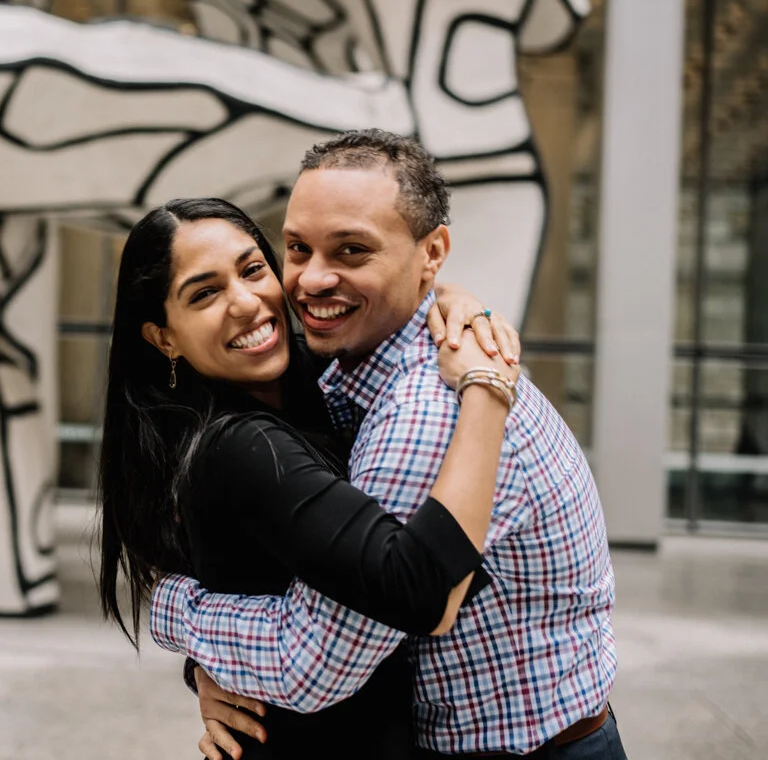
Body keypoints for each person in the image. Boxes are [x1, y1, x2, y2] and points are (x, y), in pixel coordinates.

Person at [149, 130, 625, 759]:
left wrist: (170, 607)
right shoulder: (349, 367)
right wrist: (209, 674)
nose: (312, 280)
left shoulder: (421, 411)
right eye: (297, 248)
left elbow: (315, 665)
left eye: (351, 250)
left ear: (433, 253)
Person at [97, 195, 521, 759]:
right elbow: (419, 590)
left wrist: (451, 297)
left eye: (253, 270)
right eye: (204, 293)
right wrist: (487, 391)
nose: (246, 302)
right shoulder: (241, 446)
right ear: (164, 337)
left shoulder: (316, 374)